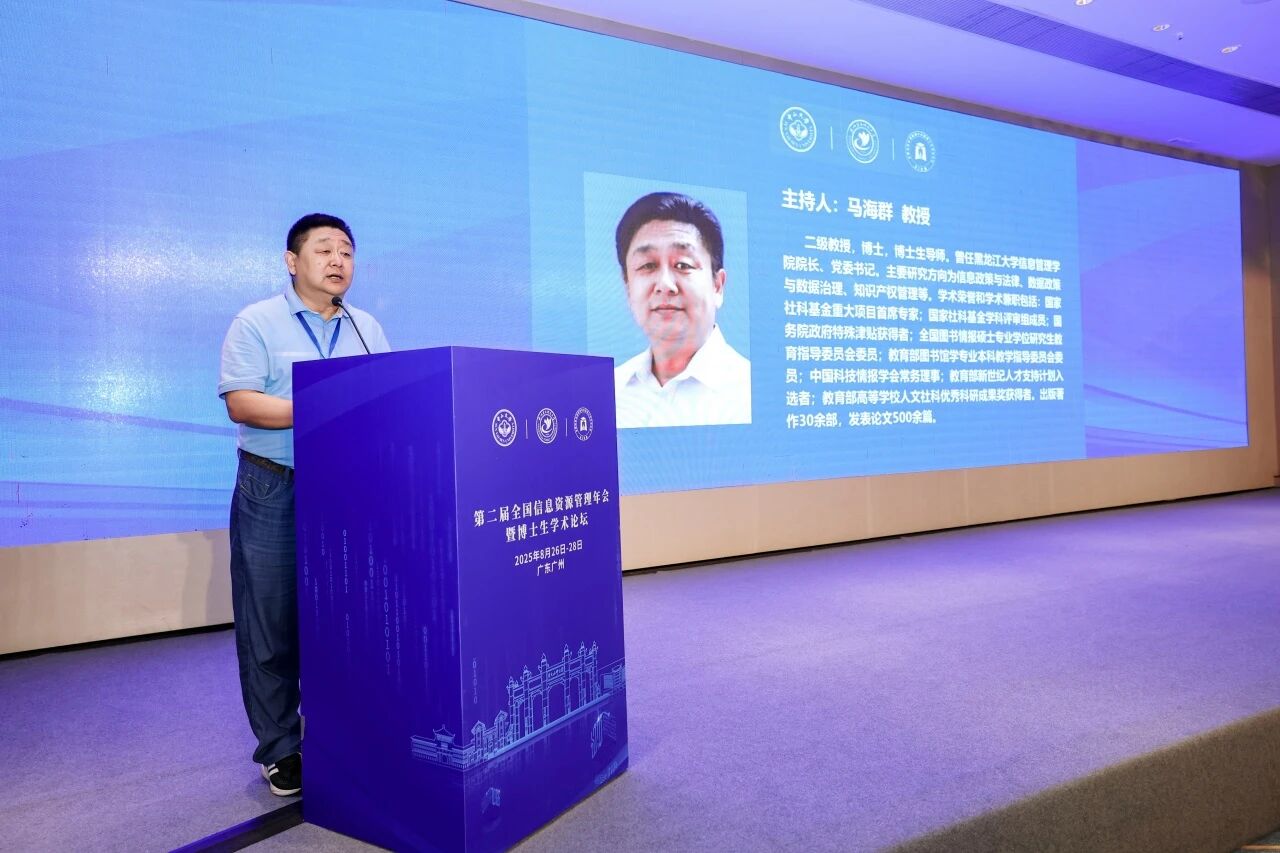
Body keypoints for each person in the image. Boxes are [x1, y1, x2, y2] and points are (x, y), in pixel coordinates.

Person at [217, 213, 390, 796]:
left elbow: (385, 395)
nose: (338, 260)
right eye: (324, 250)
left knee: (344, 616)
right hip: (274, 484)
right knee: (271, 622)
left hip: (347, 487)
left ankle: (342, 732)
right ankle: (281, 748)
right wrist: (319, 405)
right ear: (293, 262)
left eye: (347, 251)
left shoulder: (365, 326)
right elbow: (241, 402)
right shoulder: (256, 321)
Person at [612, 192, 751, 428]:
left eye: (683, 265)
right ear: (628, 288)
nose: (665, 284)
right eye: (648, 265)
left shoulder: (750, 390)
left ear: (717, 286)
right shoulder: (609, 392)